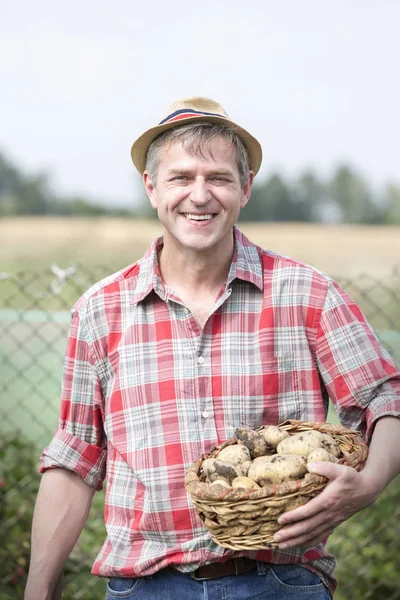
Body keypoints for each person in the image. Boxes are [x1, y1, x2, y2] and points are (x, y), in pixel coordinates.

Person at [25, 97, 400, 600]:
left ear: (244, 189)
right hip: (144, 588)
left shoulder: (304, 293)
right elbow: (75, 459)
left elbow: (385, 398)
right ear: (151, 188)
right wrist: (37, 590)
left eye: (218, 178)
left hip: (280, 583)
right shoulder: (101, 311)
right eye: (181, 177)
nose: (199, 196)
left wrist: (369, 485)